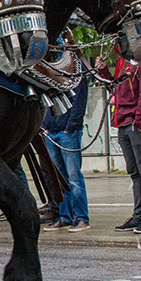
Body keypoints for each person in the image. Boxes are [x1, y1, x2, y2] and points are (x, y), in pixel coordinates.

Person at [97, 56, 141, 234]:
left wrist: (139, 117)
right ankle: (139, 215)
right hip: (124, 121)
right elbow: (115, 87)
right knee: (135, 171)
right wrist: (103, 70)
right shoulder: (122, 62)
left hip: (135, 121)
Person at [41, 77, 91, 233]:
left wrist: (71, 127)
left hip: (66, 132)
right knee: (59, 178)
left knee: (73, 177)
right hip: (53, 131)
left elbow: (79, 101)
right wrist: (45, 125)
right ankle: (65, 216)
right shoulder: (50, 74)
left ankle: (81, 218)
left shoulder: (75, 74)